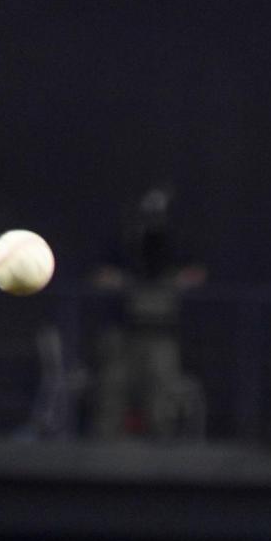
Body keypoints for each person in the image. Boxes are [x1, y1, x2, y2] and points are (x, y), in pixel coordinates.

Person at [90, 185, 206, 439]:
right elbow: (100, 275)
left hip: (161, 334)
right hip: (123, 333)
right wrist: (126, 283)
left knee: (162, 399)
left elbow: (197, 273)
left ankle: (162, 457)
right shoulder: (123, 242)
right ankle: (106, 454)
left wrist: (171, 283)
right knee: (113, 392)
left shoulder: (176, 243)